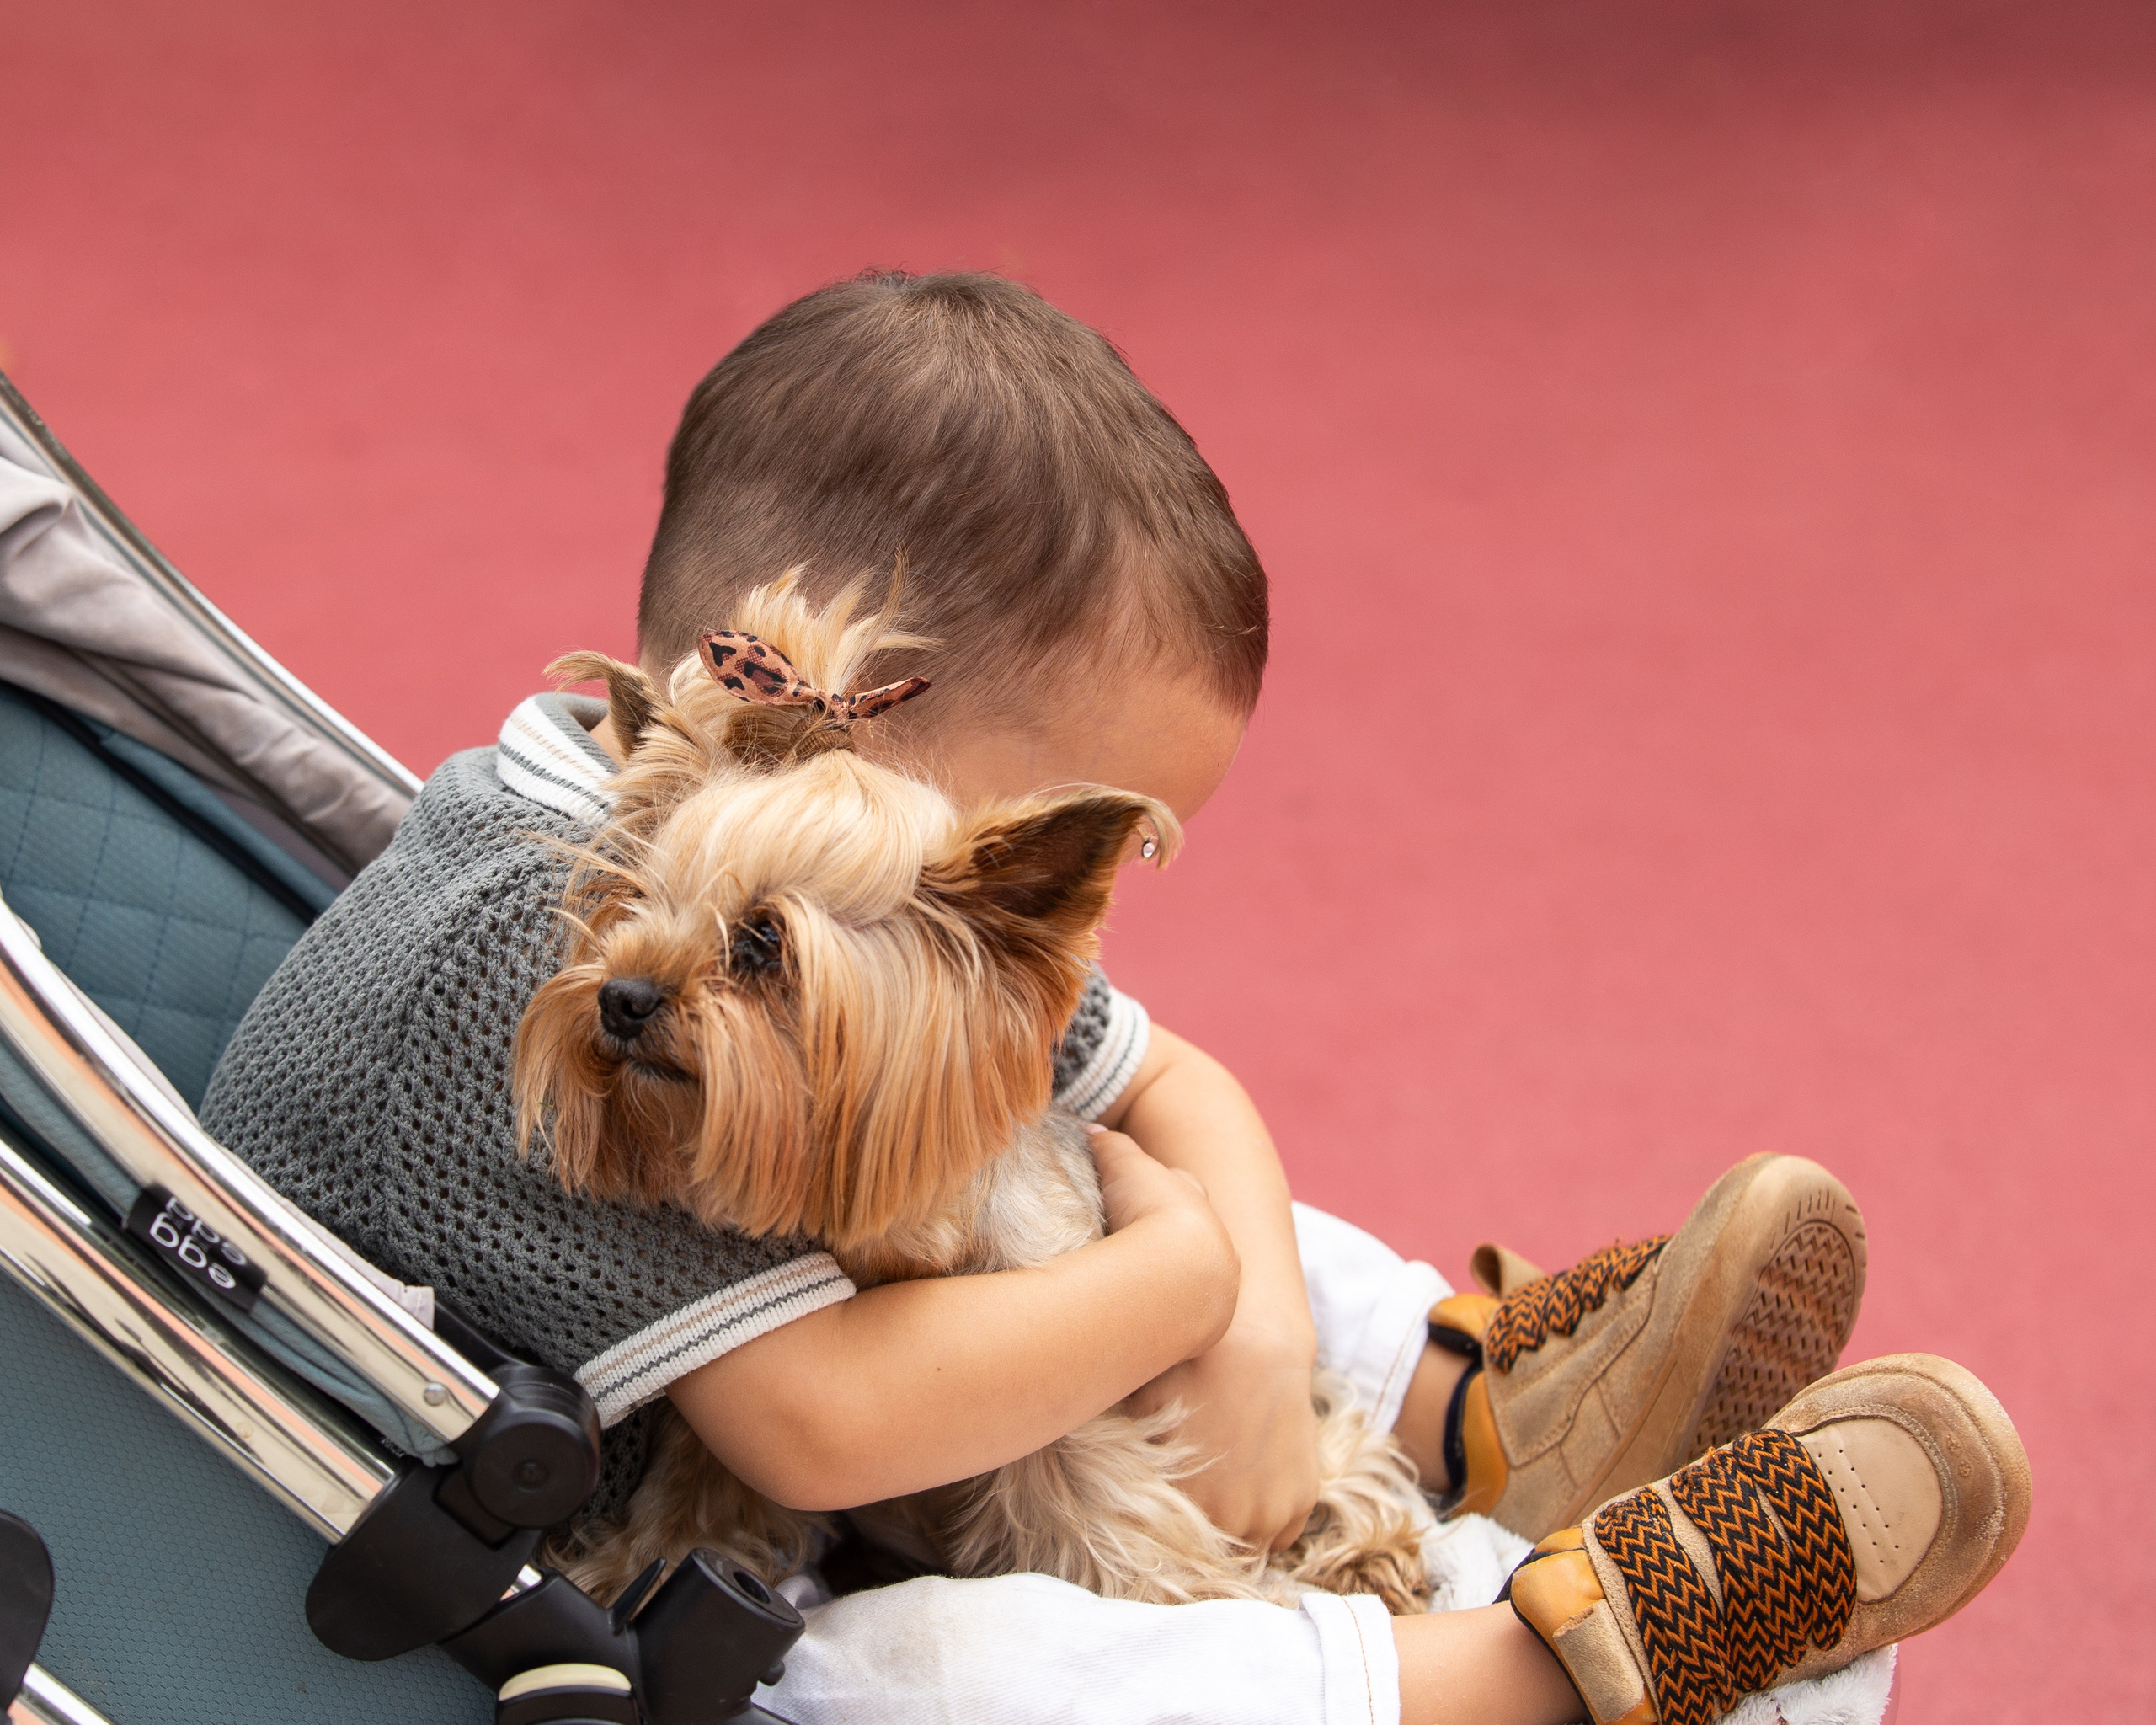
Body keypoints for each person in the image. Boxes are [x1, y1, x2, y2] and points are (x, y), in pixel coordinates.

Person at [200, 271, 2026, 1725]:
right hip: (552, 1570)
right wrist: (1172, 1284)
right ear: (868, 722)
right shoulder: (567, 955)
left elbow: (1174, 1090)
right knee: (945, 1688)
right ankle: (1534, 1672)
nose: (1064, 958)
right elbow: (825, 1422)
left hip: (800, 1408)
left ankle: (1456, 1404)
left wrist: (1234, 1336)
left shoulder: (800, 846)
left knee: (1065, 1144)